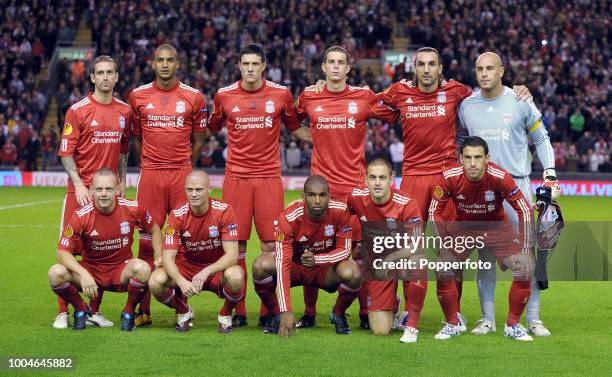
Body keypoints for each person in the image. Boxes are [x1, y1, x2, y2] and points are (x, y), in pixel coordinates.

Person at [375, 47, 532, 328]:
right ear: (415, 67)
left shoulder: (457, 91)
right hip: (412, 178)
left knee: (452, 247)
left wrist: (518, 90)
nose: (426, 69)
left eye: (431, 64)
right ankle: (401, 308)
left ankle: (455, 313)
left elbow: (490, 92)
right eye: (421, 64)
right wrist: (328, 86)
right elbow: (367, 103)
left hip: (447, 177)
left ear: (440, 67)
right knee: (405, 246)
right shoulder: (399, 91)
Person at [294, 45, 398, 330]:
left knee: (360, 252)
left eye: (341, 62)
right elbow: (291, 120)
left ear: (348, 69)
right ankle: (309, 312)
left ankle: (360, 312)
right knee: (310, 249)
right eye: (331, 62)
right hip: (321, 190)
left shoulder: (363, 97)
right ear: (324, 67)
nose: (336, 67)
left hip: (354, 191)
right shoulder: (310, 96)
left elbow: (394, 114)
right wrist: (312, 136)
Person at [208, 44, 311, 327]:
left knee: (270, 245)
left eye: (255, 64)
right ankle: (238, 309)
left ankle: (270, 311)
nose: (250, 69)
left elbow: (296, 128)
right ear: (239, 66)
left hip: (268, 178)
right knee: (236, 246)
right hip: (236, 179)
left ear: (264, 65)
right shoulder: (224, 96)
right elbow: (209, 128)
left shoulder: (281, 94)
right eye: (245, 64)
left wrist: (326, 135)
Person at [458, 52, 558, 337]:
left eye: (490, 68)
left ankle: (534, 318)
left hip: (518, 186)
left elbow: (541, 137)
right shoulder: (467, 106)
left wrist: (549, 173)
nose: (485, 73)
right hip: (482, 191)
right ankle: (487, 319)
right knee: (486, 255)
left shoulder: (520, 100)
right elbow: (459, 145)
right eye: (479, 69)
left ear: (502, 71)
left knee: (529, 253)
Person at [128, 44, 208, 326]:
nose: (164, 65)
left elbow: (199, 137)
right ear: (152, 64)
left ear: (178, 63)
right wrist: (150, 163)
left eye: (169, 60)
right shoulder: (137, 96)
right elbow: (136, 138)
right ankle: (143, 310)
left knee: (181, 242)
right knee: (148, 241)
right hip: (150, 175)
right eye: (159, 60)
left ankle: (180, 308)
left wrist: (186, 165)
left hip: (181, 175)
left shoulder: (193, 97)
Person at [428, 137, 535, 341]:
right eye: (468, 157)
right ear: (460, 158)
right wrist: (443, 241)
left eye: (478, 157)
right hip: (464, 229)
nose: (473, 163)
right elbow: (434, 212)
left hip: (495, 227)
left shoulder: (499, 176)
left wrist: (526, 246)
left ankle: (512, 325)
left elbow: (524, 209)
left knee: (525, 266)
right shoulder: (449, 176)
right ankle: (453, 323)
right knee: (443, 267)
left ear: (487, 158)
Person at [54, 55, 131, 329]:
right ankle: (64, 311)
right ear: (92, 78)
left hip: (108, 195)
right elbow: (65, 152)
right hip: (82, 193)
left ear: (117, 77)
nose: (106, 77)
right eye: (100, 73)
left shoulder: (124, 111)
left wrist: (122, 179)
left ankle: (93, 311)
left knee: (101, 252)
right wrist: (77, 183)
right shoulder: (78, 110)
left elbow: (123, 150)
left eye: (111, 72)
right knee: (68, 252)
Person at [47, 169, 161, 331]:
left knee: (142, 268)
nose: (104, 194)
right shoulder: (81, 215)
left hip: (119, 270)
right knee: (55, 273)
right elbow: (62, 252)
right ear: (91, 190)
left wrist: (159, 256)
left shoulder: (133, 208)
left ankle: (128, 311)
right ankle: (81, 309)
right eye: (99, 189)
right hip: (91, 270)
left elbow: (154, 229)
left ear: (117, 189)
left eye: (109, 189)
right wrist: (84, 274)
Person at [251, 175, 362, 336]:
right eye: (311, 195)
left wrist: (317, 259)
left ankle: (337, 313)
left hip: (324, 270)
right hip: (295, 268)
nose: (317, 200)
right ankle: (275, 314)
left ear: (330, 197)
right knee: (260, 265)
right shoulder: (288, 218)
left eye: (322, 195)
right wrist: (285, 311)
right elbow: (282, 262)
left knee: (354, 272)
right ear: (303, 197)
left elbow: (345, 250)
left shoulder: (340, 211)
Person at [148, 171, 245, 332]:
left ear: (210, 189)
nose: (194, 194)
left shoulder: (224, 211)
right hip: (187, 266)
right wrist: (180, 280)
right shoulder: (177, 215)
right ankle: (183, 311)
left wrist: (206, 271)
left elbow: (232, 255)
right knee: (155, 281)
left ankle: (225, 314)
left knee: (236, 276)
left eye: (199, 190)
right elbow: (167, 257)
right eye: (189, 190)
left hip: (215, 269)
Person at [347, 158, 425, 343]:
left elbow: (417, 246)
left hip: (401, 258)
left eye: (382, 177)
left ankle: (412, 325)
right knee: (381, 331)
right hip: (377, 265)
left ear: (392, 179)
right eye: (372, 178)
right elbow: (334, 213)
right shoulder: (356, 198)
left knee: (418, 261)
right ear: (365, 180)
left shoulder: (406, 203)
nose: (377, 183)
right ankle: (394, 302)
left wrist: (390, 258)